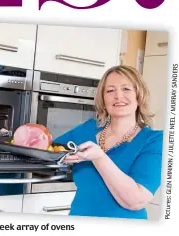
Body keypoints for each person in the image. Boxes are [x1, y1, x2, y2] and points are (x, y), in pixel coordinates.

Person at [54, 65, 163, 219]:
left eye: (126, 89)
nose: (118, 96)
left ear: (139, 95)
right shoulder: (88, 129)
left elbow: (136, 201)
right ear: (103, 99)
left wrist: (99, 157)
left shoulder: (155, 140)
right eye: (110, 91)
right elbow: (49, 149)